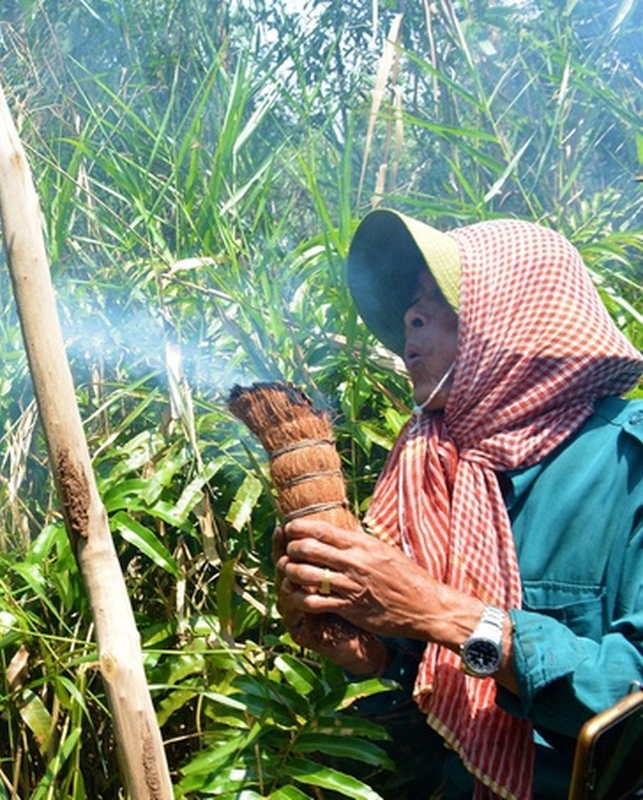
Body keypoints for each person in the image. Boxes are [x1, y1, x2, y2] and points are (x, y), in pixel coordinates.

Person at [273, 209, 643, 798]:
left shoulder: (628, 463)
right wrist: (370, 655)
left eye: (435, 297)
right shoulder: (433, 468)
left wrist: (447, 615)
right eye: (410, 305)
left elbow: (631, 693)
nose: (408, 318)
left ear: (518, 318)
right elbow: (437, 685)